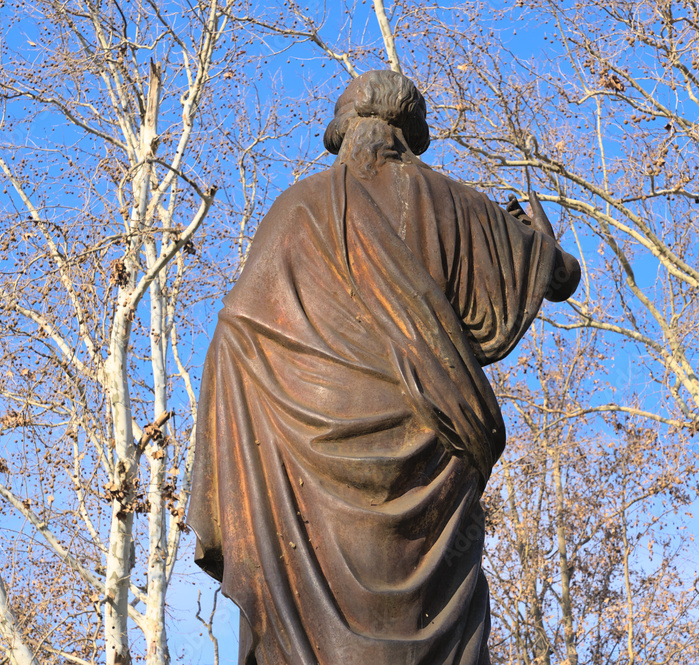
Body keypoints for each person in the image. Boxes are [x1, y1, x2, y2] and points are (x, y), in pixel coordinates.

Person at [187, 70, 580, 665]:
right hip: (434, 473)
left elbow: (235, 332)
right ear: (410, 133)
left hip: (310, 477)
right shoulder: (459, 207)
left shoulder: (297, 210)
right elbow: (562, 275)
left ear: (345, 132)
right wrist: (526, 236)